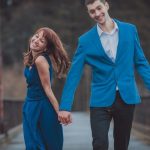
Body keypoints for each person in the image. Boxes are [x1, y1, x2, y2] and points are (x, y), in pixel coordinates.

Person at [58, 0, 150, 150]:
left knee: (122, 145)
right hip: (100, 100)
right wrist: (65, 106)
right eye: (92, 11)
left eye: (99, 8)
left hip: (126, 97)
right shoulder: (85, 41)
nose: (97, 13)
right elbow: (74, 74)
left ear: (106, 5)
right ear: (89, 14)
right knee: (99, 143)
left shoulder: (130, 30)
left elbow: (141, 63)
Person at [23, 27, 70, 150]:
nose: (37, 40)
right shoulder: (30, 59)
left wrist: (59, 112)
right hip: (30, 106)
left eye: (42, 41)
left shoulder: (40, 60)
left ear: (46, 48)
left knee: (44, 145)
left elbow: (47, 89)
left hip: (42, 108)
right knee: (33, 144)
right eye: (37, 36)